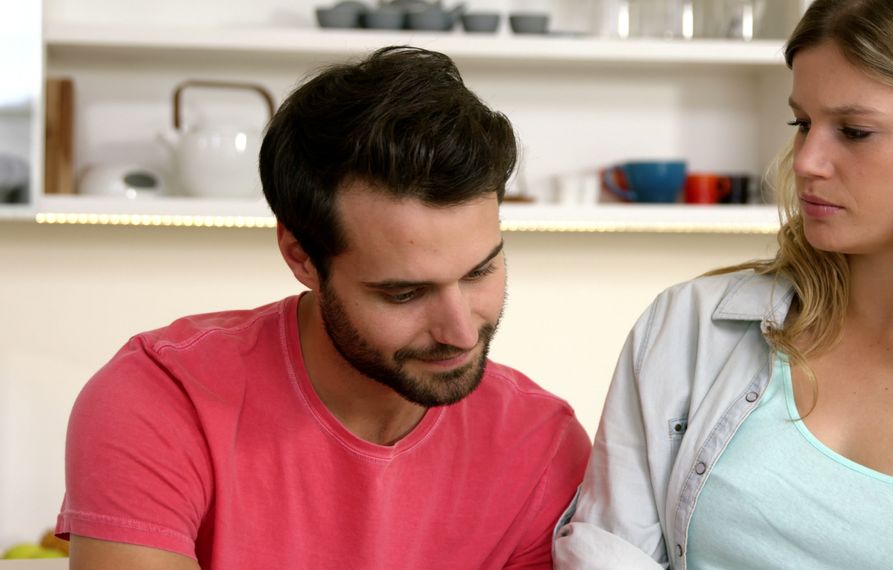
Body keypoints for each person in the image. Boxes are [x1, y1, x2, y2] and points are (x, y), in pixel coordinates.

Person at [553, 0, 893, 568]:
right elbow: (607, 553)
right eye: (801, 123)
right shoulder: (689, 330)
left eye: (854, 131)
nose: (806, 160)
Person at [57, 46, 591, 569]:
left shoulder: (541, 445)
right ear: (300, 257)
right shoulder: (160, 398)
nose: (459, 331)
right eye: (403, 293)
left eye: (480, 271)